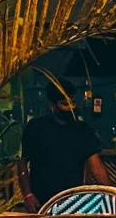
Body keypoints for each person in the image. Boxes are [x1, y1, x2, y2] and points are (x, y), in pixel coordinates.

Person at [18, 82, 108, 210]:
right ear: (52, 105)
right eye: (65, 104)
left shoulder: (83, 131)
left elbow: (96, 167)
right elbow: (22, 162)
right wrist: (27, 194)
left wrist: (113, 196)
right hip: (41, 201)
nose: (71, 108)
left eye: (73, 103)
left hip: (73, 201)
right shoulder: (35, 128)